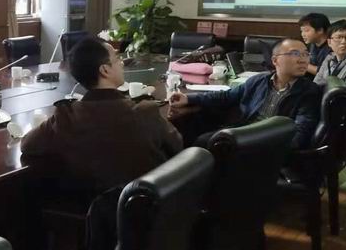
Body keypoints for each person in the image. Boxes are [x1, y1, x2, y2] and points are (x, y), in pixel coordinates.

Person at [22, 37, 183, 193]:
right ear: (105, 70)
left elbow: (27, 144)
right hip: (143, 206)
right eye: (117, 59)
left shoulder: (65, 117)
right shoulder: (144, 112)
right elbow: (177, 145)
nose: (121, 63)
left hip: (88, 206)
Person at [170, 38, 321, 149]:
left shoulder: (309, 91)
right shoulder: (259, 80)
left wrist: (270, 151)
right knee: (198, 140)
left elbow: (300, 133)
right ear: (275, 60)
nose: (303, 60)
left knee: (206, 144)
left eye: (306, 54)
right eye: (295, 54)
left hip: (268, 144)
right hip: (243, 132)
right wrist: (188, 98)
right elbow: (227, 96)